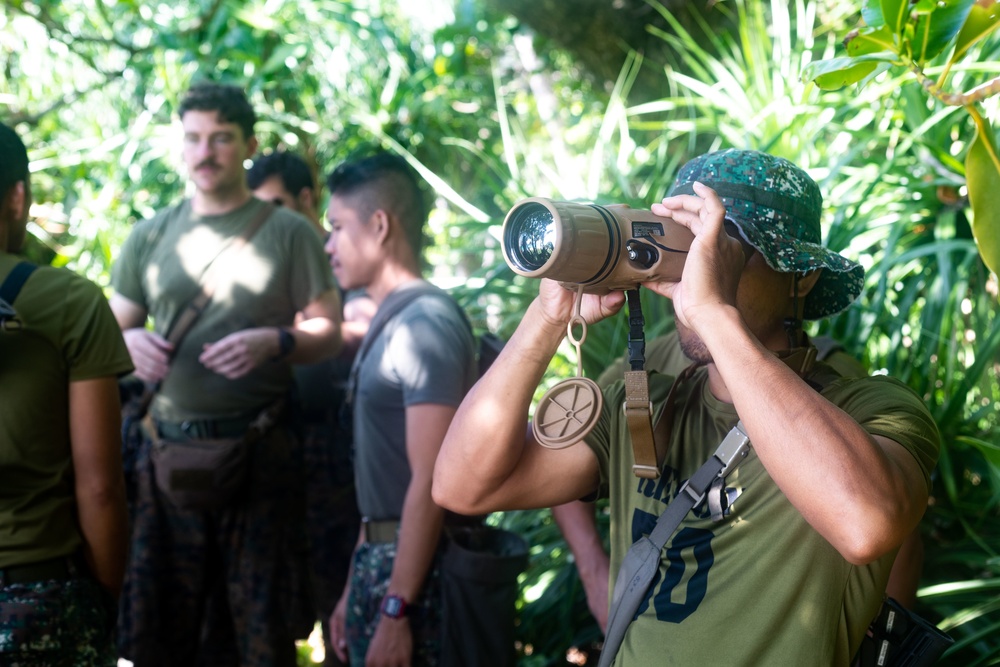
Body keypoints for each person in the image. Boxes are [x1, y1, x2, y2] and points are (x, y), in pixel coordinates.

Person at [433, 149, 940, 664]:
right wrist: (546, 319)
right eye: (688, 243)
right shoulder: (646, 393)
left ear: (800, 275)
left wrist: (711, 312)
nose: (698, 265)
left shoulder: (872, 408)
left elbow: (865, 523)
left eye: (721, 246)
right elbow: (463, 486)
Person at [109, 82, 342, 666]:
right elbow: (111, 331)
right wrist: (130, 340)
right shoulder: (150, 234)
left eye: (220, 138)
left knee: (260, 639)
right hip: (168, 459)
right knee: (164, 637)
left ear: (247, 144)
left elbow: (328, 331)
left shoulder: (288, 232)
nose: (204, 152)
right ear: (179, 144)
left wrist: (277, 340)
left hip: (260, 456)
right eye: (192, 139)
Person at [553, 328, 925, 636]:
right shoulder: (656, 354)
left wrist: (876, 639)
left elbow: (890, 532)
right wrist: (593, 570)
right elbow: (576, 449)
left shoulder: (840, 378)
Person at [323, 152, 477, 666]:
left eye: (337, 227)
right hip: (382, 561)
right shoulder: (394, 319)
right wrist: (355, 584)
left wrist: (395, 609)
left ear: (380, 225)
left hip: (413, 578)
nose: (329, 246)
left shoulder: (424, 325)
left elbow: (429, 481)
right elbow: (382, 491)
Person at [0, 122, 133, 663]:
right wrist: (104, 596)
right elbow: (99, 487)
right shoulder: (69, 302)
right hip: (38, 600)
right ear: (17, 197)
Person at [249, 149, 375, 665]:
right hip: (273, 477)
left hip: (340, 480)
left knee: (344, 624)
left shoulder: (344, 259)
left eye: (277, 203)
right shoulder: (260, 273)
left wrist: (291, 338)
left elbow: (367, 322)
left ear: (306, 199)